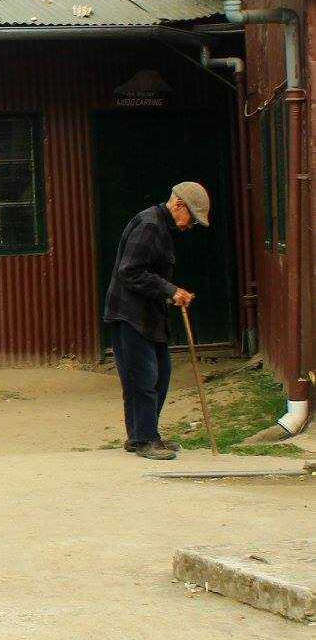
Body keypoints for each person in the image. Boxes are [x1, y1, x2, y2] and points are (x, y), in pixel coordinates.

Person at [103, 182, 209, 461]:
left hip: (147, 314)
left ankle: (142, 436)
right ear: (179, 206)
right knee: (143, 378)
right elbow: (130, 271)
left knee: (159, 374)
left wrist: (170, 293)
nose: (191, 226)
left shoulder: (161, 226)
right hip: (131, 314)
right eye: (193, 219)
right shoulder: (150, 225)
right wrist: (170, 290)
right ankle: (145, 439)